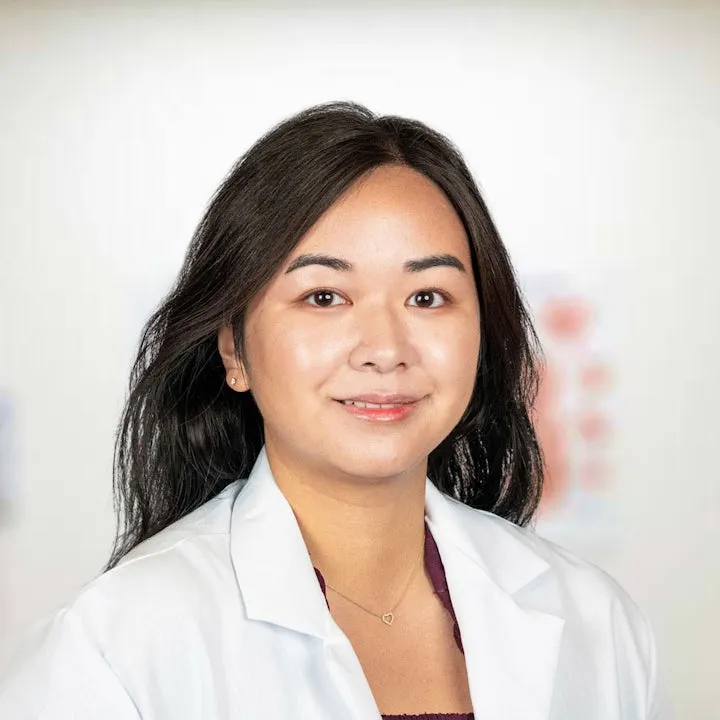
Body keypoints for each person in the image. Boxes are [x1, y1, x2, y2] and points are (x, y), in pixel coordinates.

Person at [0, 103, 673, 719]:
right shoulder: (112, 650)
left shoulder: (596, 623)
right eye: (324, 297)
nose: (385, 350)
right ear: (234, 348)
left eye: (428, 297)